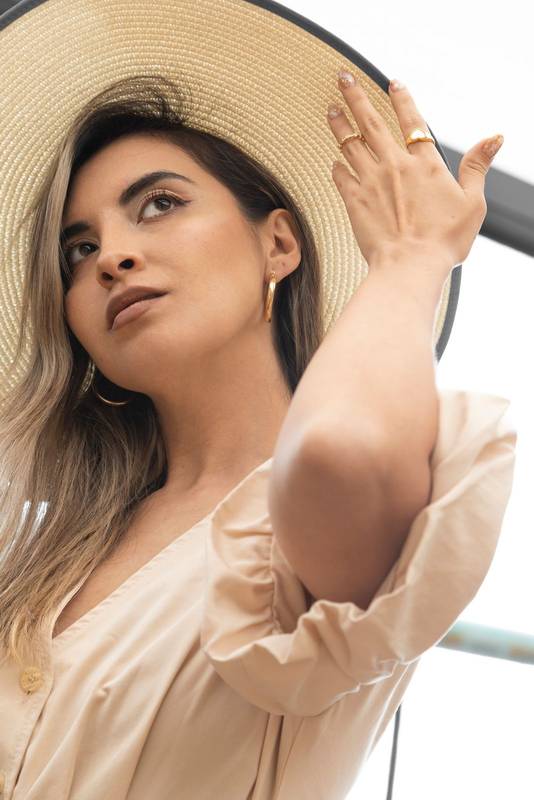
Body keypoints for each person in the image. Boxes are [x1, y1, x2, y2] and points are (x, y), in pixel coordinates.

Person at [0, 3, 516, 799]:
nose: (113, 257)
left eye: (159, 204)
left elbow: (342, 453)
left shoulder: (307, 528)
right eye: (80, 248)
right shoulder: (44, 559)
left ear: (278, 243)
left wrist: (413, 260)